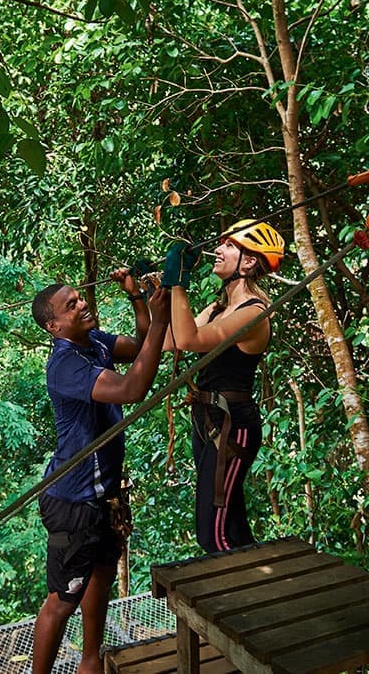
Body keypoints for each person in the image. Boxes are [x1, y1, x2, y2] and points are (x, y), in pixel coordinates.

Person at [30, 271, 170, 674]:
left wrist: (138, 301)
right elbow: (132, 389)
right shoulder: (65, 365)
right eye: (70, 305)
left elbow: (142, 347)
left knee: (103, 573)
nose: (82, 304)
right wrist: (160, 320)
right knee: (63, 598)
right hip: (73, 501)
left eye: (79, 297)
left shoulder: (93, 342)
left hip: (105, 493)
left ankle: (90, 660)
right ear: (53, 327)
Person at [160, 219, 285, 554]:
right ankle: (258, 591)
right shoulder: (219, 307)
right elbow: (171, 341)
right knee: (230, 525)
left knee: (213, 533)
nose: (218, 249)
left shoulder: (253, 312)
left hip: (232, 425)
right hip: (207, 419)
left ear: (248, 261)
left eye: (229, 245)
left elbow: (191, 338)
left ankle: (238, 602)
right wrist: (148, 294)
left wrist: (179, 286)